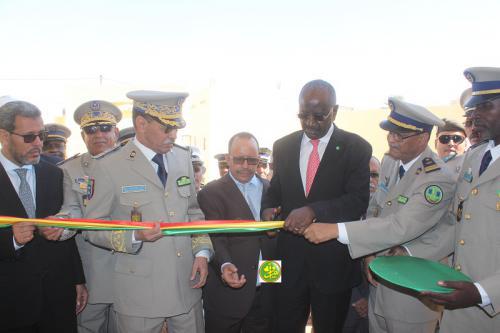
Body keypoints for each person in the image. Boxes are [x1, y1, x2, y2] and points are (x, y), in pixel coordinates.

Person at [302, 97, 457, 333]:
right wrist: (368, 254)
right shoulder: (391, 161)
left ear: (423, 138)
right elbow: (375, 208)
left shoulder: (436, 178)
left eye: (400, 135)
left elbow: (400, 225)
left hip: (410, 293)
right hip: (379, 282)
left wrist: (337, 230)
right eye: (390, 133)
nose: (392, 140)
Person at [83, 90, 213, 333]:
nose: (173, 135)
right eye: (167, 128)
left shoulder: (182, 158)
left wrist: (202, 253)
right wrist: (134, 236)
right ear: (141, 124)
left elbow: (194, 214)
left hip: (186, 287)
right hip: (138, 294)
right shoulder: (108, 165)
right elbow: (92, 228)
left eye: (176, 128)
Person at [261, 79, 372, 333]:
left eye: (319, 116)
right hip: (287, 263)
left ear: (335, 110)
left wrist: (314, 211)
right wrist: (268, 209)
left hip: (333, 266)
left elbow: (357, 201)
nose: (310, 122)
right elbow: (274, 192)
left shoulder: (356, 148)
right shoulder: (283, 146)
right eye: (304, 115)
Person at [406, 67, 500, 333]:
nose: (475, 116)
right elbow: (457, 224)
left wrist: (481, 292)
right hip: (460, 305)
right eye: (473, 109)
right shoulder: (475, 156)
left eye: (485, 107)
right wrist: (410, 253)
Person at [0, 97, 86, 332]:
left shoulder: (54, 174)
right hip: (9, 302)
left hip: (56, 296)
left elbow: (66, 227)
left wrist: (77, 278)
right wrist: (11, 240)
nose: (38, 143)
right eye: (29, 137)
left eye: (41, 135)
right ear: (4, 136)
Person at [198, 132, 277, 333]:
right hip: (228, 295)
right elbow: (215, 237)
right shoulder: (211, 193)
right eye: (239, 159)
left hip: (267, 287)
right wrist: (225, 263)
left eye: (251, 160)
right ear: (228, 159)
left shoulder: (271, 189)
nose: (245, 165)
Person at [55, 100, 122, 333]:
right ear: (83, 135)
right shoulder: (69, 170)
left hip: (133, 267)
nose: (98, 134)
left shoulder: (137, 165)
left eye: (105, 128)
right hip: (92, 271)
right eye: (90, 130)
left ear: (116, 131)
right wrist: (61, 227)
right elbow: (70, 209)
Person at [343, 156, 381, 333]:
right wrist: (356, 298)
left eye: (374, 175)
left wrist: (368, 298)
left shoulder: (393, 216)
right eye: (363, 175)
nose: (369, 181)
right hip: (344, 302)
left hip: (378, 304)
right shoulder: (342, 212)